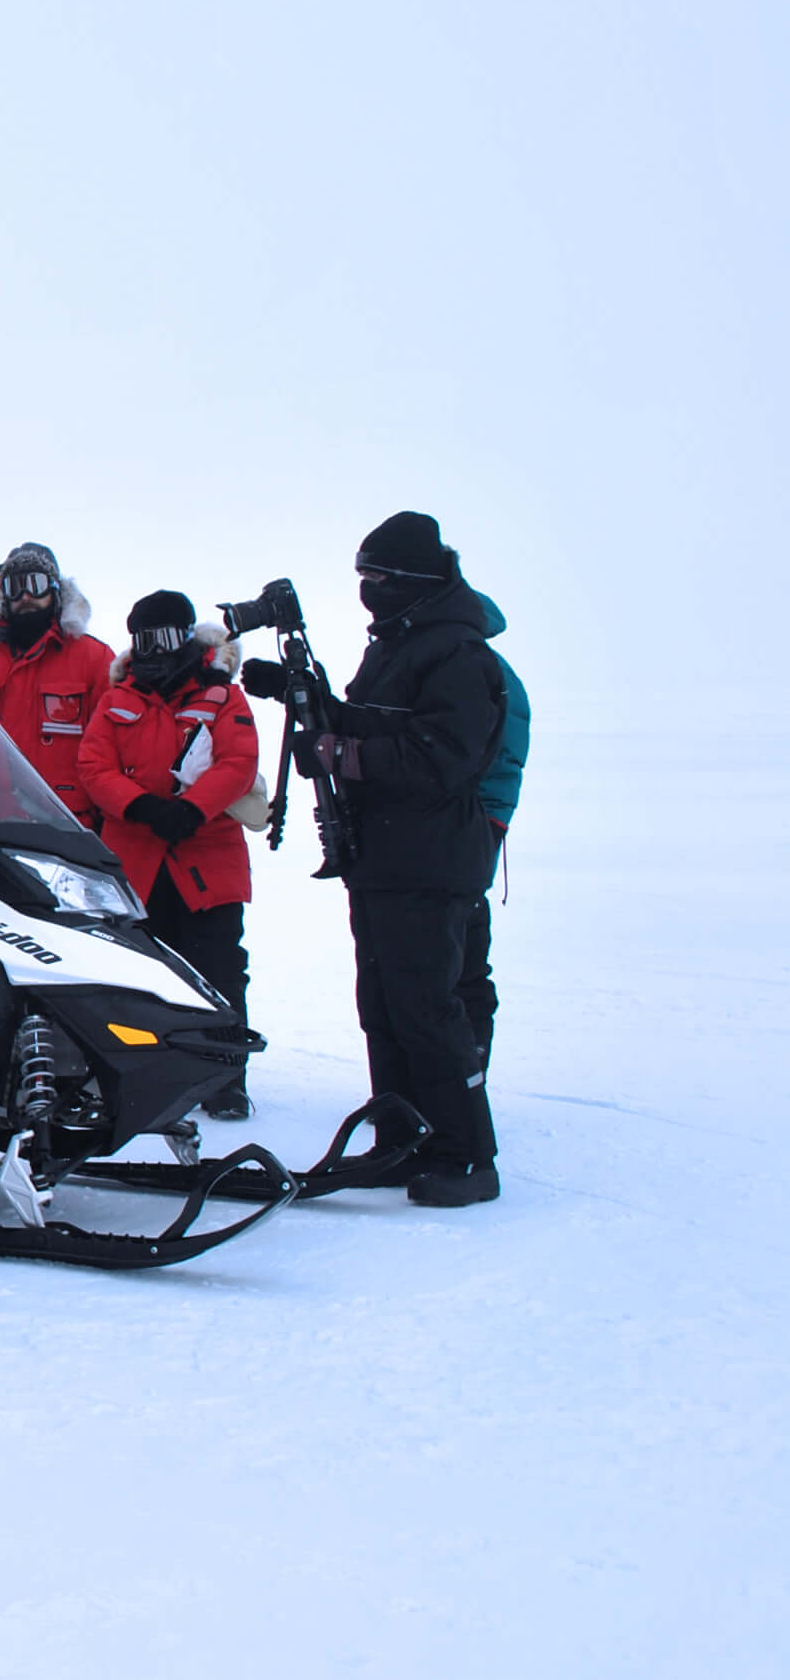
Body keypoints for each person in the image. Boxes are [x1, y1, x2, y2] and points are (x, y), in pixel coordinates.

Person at [287, 511, 510, 1207]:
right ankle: (400, 1139)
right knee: (383, 1006)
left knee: (427, 1008)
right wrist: (316, 707)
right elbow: (388, 721)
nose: (367, 589)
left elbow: (444, 757)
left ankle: (467, 1156)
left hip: (432, 861)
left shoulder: (459, 655)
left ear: (412, 579)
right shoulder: (401, 644)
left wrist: (339, 754)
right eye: (361, 576)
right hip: (384, 858)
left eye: (377, 577)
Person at [80, 591, 263, 1120]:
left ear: (185, 636)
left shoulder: (222, 696)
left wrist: (193, 810)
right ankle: (144, 1073)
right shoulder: (117, 697)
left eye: (164, 637)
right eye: (144, 639)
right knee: (136, 974)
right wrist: (140, 807)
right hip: (134, 862)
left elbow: (239, 763)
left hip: (206, 860)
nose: (153, 649)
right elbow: (94, 765)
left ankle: (225, 1078)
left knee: (218, 971)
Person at [0, 542, 114, 823]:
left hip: (66, 825)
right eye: (14, 586)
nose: (26, 595)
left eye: (36, 584)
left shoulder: (94, 658)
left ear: (56, 590)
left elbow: (111, 744)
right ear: (3, 596)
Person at [461, 592, 530, 1115]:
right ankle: (467, 1064)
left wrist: (483, 820)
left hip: (471, 826)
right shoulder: (493, 672)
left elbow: (495, 759)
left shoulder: (484, 675)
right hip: (479, 822)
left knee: (463, 956)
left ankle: (468, 1065)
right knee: (464, 952)